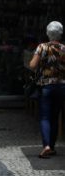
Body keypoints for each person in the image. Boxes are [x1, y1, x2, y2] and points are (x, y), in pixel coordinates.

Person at [29, 21, 65, 159]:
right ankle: (53, 147)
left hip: (46, 86)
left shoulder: (42, 47)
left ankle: (46, 146)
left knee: (44, 117)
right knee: (55, 117)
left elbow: (32, 65)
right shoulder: (64, 48)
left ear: (48, 33)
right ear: (60, 34)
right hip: (61, 87)